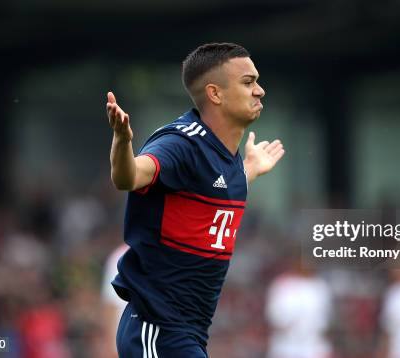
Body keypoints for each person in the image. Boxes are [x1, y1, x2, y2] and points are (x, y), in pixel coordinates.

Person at [106, 43, 285, 358]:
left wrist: (249, 170)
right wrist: (122, 142)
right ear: (215, 94)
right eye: (248, 82)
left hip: (187, 334)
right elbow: (129, 177)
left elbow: (214, 187)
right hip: (156, 329)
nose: (260, 90)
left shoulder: (225, 158)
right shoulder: (180, 144)